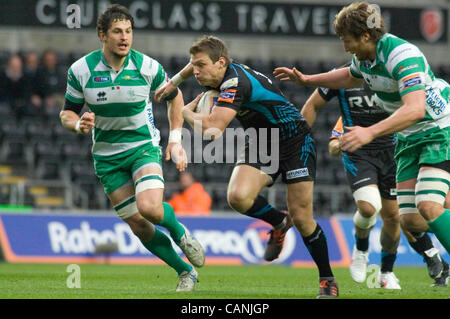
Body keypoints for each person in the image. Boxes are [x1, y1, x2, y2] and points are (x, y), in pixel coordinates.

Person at [156, 35, 339, 298]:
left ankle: (327, 279)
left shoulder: (234, 84)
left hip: (295, 140)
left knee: (303, 217)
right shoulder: (221, 68)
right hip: (262, 141)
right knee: (238, 197)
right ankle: (278, 222)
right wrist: (173, 82)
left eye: (201, 66)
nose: (195, 72)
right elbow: (192, 64)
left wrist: (186, 113)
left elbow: (212, 131)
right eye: (193, 66)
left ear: (220, 63)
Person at [273, 2, 450, 257]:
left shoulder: (401, 55)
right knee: (411, 220)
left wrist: (370, 132)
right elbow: (349, 76)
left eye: (347, 40)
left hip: (437, 130)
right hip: (409, 138)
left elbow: (415, 110)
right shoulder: (364, 59)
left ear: (366, 35)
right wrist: (308, 79)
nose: (345, 47)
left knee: (429, 205)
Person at [59, 4, 204, 292]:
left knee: (149, 207)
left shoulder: (147, 67)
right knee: (138, 224)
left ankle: (180, 233)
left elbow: (175, 97)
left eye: (128, 31)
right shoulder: (81, 70)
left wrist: (175, 140)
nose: (124, 37)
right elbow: (67, 113)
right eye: (117, 32)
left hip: (142, 146)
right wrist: (78, 125)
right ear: (103, 35)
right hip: (107, 157)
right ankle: (185, 271)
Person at [301, 75, 402, 288]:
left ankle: (386, 272)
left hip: (392, 154)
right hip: (360, 153)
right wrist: (337, 145)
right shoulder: (342, 77)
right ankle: (361, 249)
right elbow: (332, 144)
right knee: (368, 208)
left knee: (393, 217)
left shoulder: (393, 74)